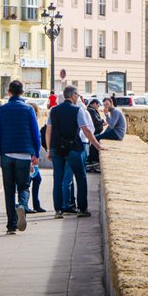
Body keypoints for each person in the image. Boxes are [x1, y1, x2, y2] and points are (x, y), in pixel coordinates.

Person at [0, 80, 41, 235]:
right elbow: (36, 133)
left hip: (7, 154)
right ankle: (22, 206)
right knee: (24, 186)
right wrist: (35, 154)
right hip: (24, 154)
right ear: (22, 93)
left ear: (9, 92)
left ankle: (11, 225)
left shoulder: (2, 110)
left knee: (9, 190)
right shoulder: (28, 109)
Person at [46, 85, 102, 219]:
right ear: (73, 96)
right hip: (73, 148)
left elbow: (48, 131)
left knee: (58, 179)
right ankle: (82, 209)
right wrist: (97, 145)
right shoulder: (78, 110)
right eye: (77, 95)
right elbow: (86, 130)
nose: (78, 98)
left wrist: (49, 149)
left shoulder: (53, 111)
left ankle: (58, 210)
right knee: (81, 177)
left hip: (56, 148)